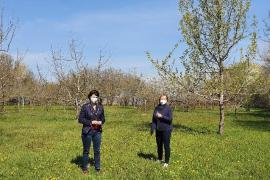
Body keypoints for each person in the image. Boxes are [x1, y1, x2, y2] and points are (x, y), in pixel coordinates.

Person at [78, 90, 105, 174]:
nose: (95, 98)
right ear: (89, 97)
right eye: (93, 96)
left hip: (97, 131)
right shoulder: (85, 107)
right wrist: (90, 122)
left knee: (97, 150)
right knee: (86, 150)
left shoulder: (100, 106)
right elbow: (80, 119)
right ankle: (85, 168)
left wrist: (101, 122)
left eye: (96, 97)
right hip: (87, 131)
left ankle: (97, 168)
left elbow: (103, 118)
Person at [151, 95, 173, 168]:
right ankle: (160, 158)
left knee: (166, 146)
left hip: (166, 130)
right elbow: (154, 119)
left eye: (164, 99)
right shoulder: (157, 108)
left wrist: (162, 117)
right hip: (158, 129)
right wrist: (152, 128)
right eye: (161, 99)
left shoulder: (168, 108)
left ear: (166, 100)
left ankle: (166, 162)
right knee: (159, 145)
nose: (162, 100)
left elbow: (170, 119)